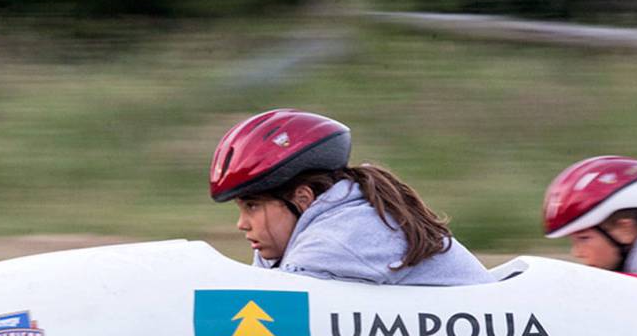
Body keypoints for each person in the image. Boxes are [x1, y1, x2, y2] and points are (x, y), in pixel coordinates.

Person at [208, 109, 494, 285]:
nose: (242, 224)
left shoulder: (339, 238)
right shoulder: (306, 234)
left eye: (253, 206)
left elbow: (270, 313)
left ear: (303, 199)